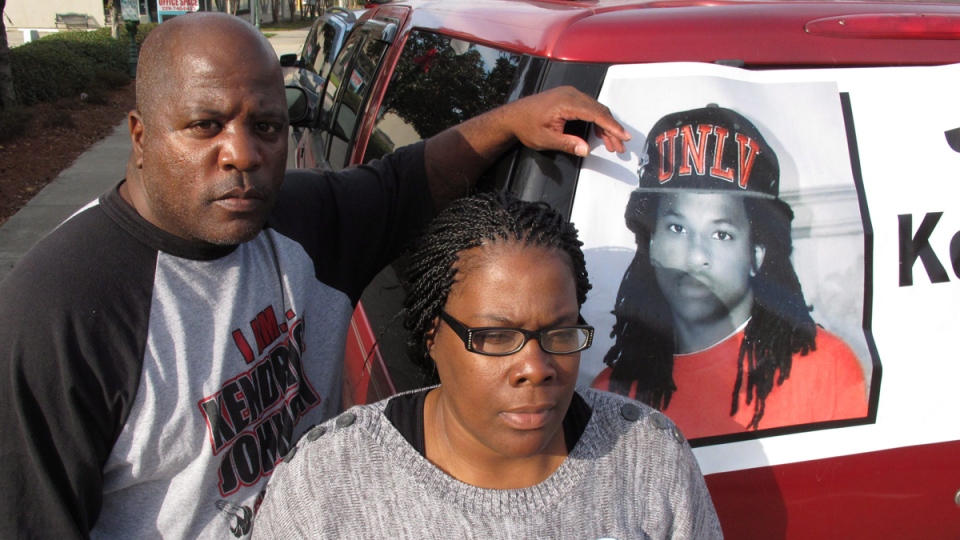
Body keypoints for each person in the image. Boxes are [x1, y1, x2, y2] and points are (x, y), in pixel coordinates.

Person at [0, 13, 629, 539]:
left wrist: (512, 120)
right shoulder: (60, 309)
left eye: (267, 127)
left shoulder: (298, 222)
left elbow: (406, 182)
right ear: (140, 135)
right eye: (205, 125)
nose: (243, 153)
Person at [252, 192, 722, 538]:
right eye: (497, 337)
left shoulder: (649, 457)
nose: (536, 368)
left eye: (559, 333)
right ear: (434, 337)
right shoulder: (327, 483)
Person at [592, 105, 867, 439]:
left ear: (757, 251)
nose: (695, 257)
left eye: (721, 234)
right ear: (651, 241)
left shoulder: (825, 367)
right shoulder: (612, 393)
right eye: (677, 227)